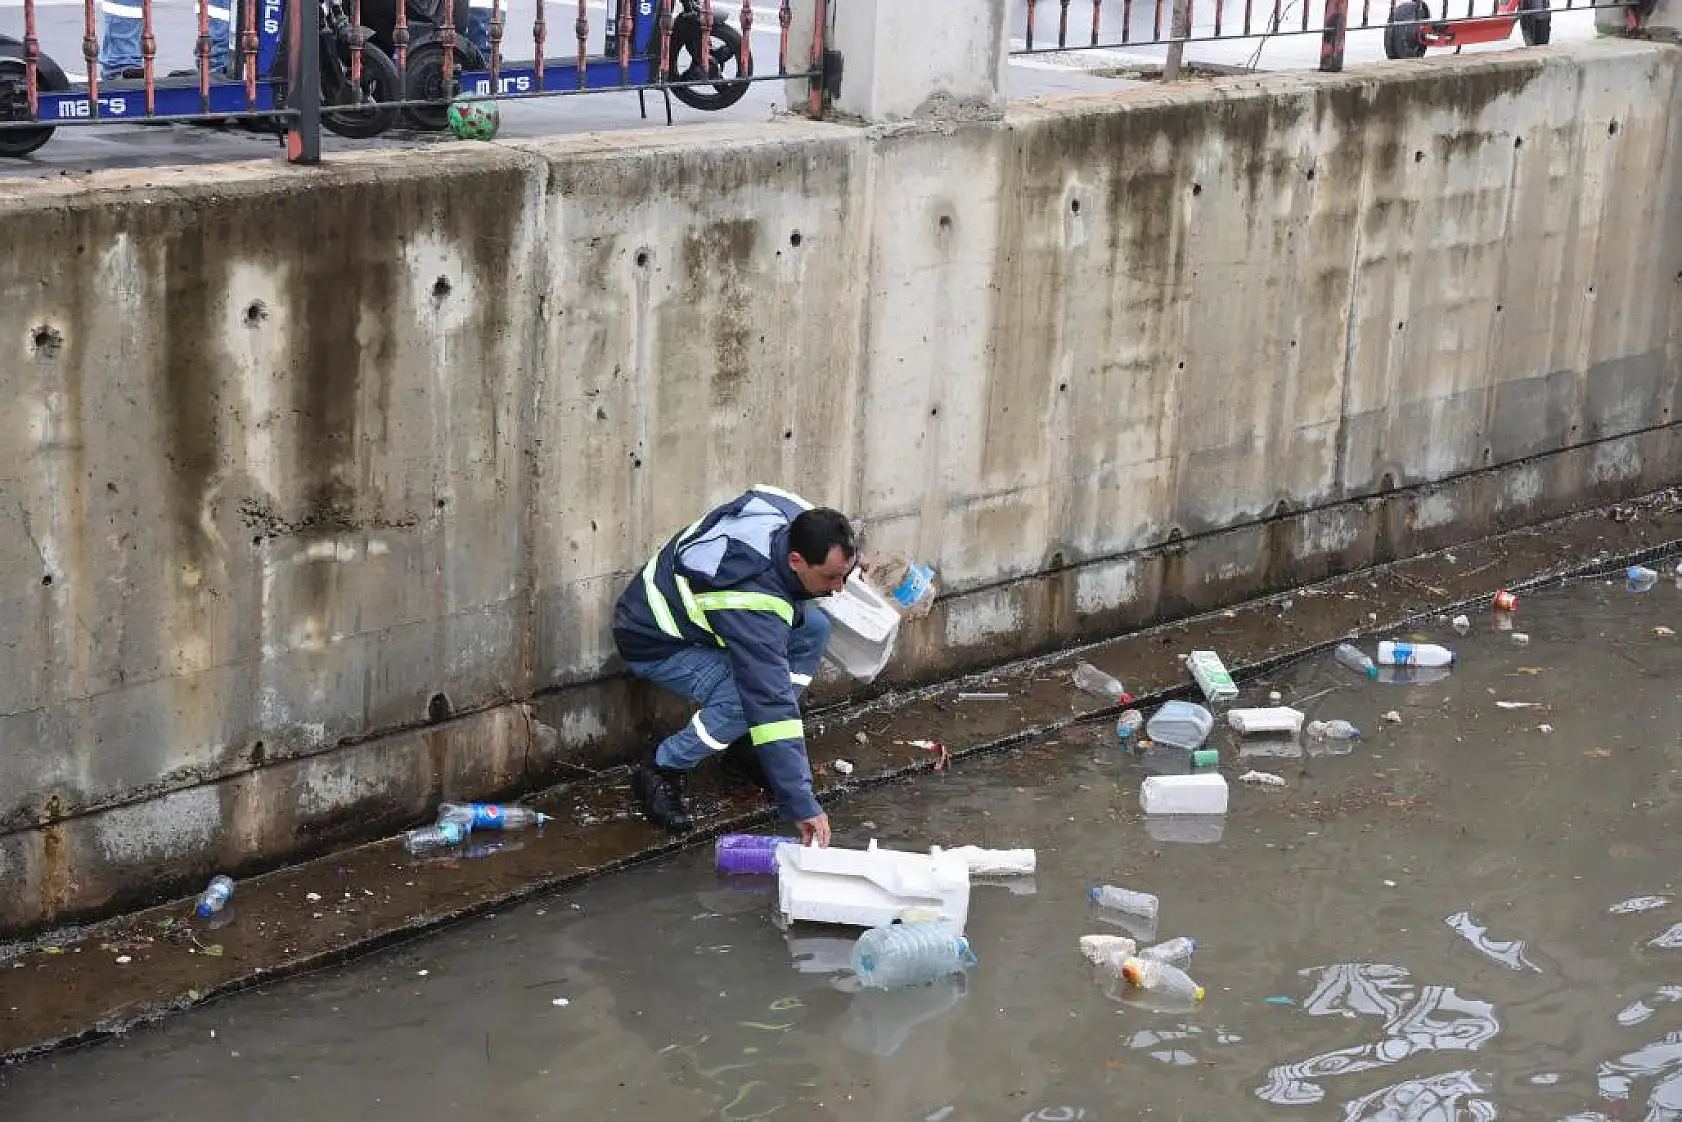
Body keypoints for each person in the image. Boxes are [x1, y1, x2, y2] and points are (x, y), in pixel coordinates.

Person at [612, 485, 857, 847]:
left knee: (814, 628)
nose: (838, 589)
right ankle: (663, 768)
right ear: (795, 561)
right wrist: (800, 801)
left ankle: (748, 748)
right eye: (830, 578)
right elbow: (770, 701)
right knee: (746, 700)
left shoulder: (794, 516)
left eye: (845, 574)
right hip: (655, 641)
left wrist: (852, 566)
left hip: (698, 621)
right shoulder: (749, 597)